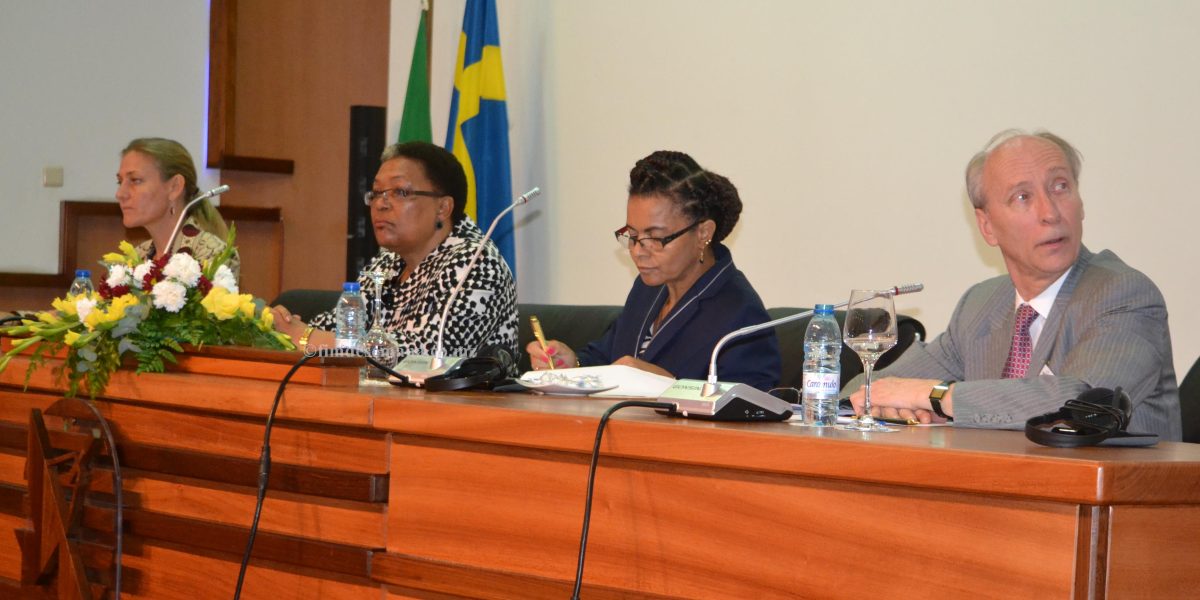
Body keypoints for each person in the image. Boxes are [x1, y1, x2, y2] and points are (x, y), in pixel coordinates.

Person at [845, 129, 1180, 439]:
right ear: (987, 225)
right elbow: (867, 387)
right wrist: (889, 402)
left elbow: (1083, 405)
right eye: (1023, 197)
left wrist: (936, 397)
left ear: (1081, 203)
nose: (1050, 213)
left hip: (1118, 499)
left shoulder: (1122, 294)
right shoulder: (981, 305)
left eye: (1061, 186)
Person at [526, 151, 780, 390]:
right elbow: (607, 357)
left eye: (656, 237)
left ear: (703, 233)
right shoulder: (648, 289)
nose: (638, 251)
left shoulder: (740, 312)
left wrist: (669, 387)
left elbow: (752, 406)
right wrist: (573, 365)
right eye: (633, 235)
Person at [271, 141, 518, 360]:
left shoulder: (478, 263)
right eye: (377, 192)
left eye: (400, 192)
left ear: (443, 208)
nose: (380, 203)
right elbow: (341, 327)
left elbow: (430, 354)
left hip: (462, 409)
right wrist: (286, 325)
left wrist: (306, 337)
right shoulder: (387, 262)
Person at [116, 138, 239, 277]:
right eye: (119, 182)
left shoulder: (212, 254)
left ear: (175, 187)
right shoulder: (136, 259)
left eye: (135, 180)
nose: (120, 194)